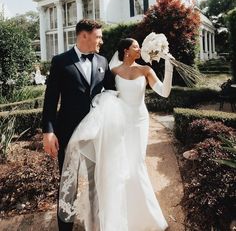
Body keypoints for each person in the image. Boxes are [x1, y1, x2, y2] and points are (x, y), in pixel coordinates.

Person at [59, 38, 173, 230]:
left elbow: (165, 92)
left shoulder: (146, 70)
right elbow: (103, 95)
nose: (140, 49)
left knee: (136, 164)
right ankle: (121, 217)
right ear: (126, 51)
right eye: (136, 46)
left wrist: (169, 65)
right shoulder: (113, 72)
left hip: (139, 122)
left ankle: (146, 217)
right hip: (119, 124)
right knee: (120, 167)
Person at [42, 19, 115, 231]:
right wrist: (48, 131)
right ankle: (66, 228)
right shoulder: (60, 61)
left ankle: (95, 224)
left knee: (95, 181)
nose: (101, 40)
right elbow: (50, 100)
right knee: (68, 183)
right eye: (98, 36)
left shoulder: (102, 62)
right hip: (68, 133)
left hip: (95, 133)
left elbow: (111, 94)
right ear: (84, 35)